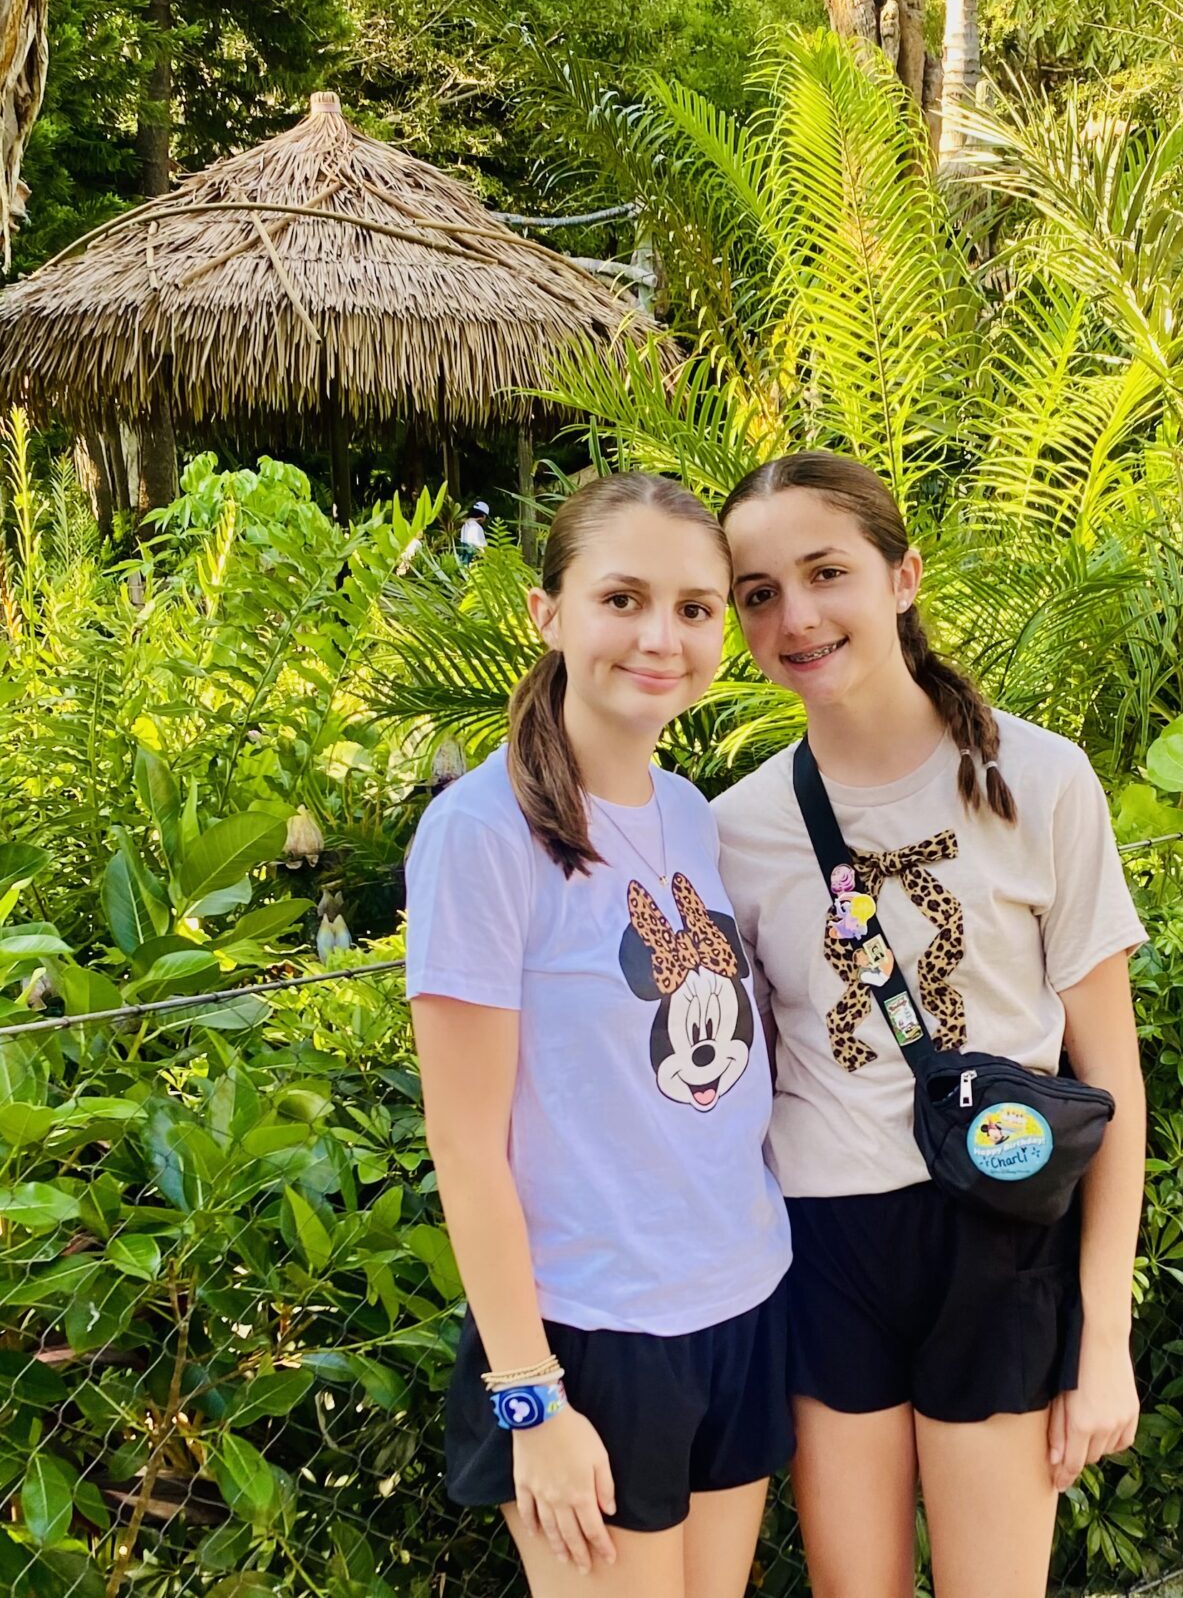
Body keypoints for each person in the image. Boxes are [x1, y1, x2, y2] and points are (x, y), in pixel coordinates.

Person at [711, 451, 1147, 1598]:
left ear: (902, 576)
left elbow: (1114, 1074)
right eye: (760, 592)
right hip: (824, 1245)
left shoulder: (1041, 778)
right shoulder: (735, 828)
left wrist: (1104, 1337)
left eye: (825, 572)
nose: (796, 615)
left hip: (998, 1233)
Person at [405, 473, 791, 1598]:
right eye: (622, 597)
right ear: (549, 613)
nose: (660, 636)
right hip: (593, 1336)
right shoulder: (481, 834)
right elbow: (465, 1145)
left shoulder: (686, 813)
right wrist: (531, 1395)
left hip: (742, 1298)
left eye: (694, 606)